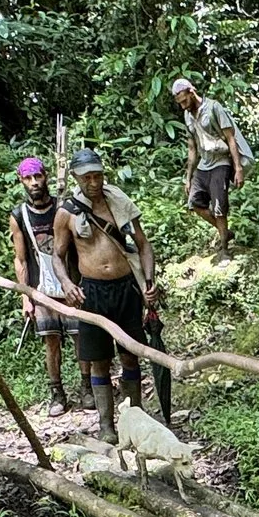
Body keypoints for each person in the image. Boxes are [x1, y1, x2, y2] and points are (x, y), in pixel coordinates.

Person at [51, 148, 161, 445]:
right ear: (76, 177)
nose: (94, 182)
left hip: (126, 288)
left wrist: (149, 282)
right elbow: (57, 256)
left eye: (98, 175)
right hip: (93, 293)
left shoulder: (118, 201)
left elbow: (143, 244)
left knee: (131, 356)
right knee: (99, 361)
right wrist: (65, 284)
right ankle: (106, 426)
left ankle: (135, 420)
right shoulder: (67, 213)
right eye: (87, 177)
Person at [8, 156, 74, 414]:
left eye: (38, 176)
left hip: (70, 282)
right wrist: (26, 296)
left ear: (46, 176)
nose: (34, 182)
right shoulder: (19, 215)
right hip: (41, 287)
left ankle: (87, 388)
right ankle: (57, 393)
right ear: (21, 181)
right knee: (51, 341)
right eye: (28, 178)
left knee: (80, 337)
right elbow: (20, 258)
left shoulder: (63, 206)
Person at [172, 77, 243, 256]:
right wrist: (188, 177)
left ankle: (224, 249)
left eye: (185, 101)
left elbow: (230, 138)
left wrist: (238, 167)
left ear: (191, 92)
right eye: (180, 103)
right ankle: (225, 233)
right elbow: (192, 148)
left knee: (219, 206)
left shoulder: (213, 108)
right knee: (195, 202)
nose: (183, 106)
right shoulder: (187, 115)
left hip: (221, 160)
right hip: (204, 163)